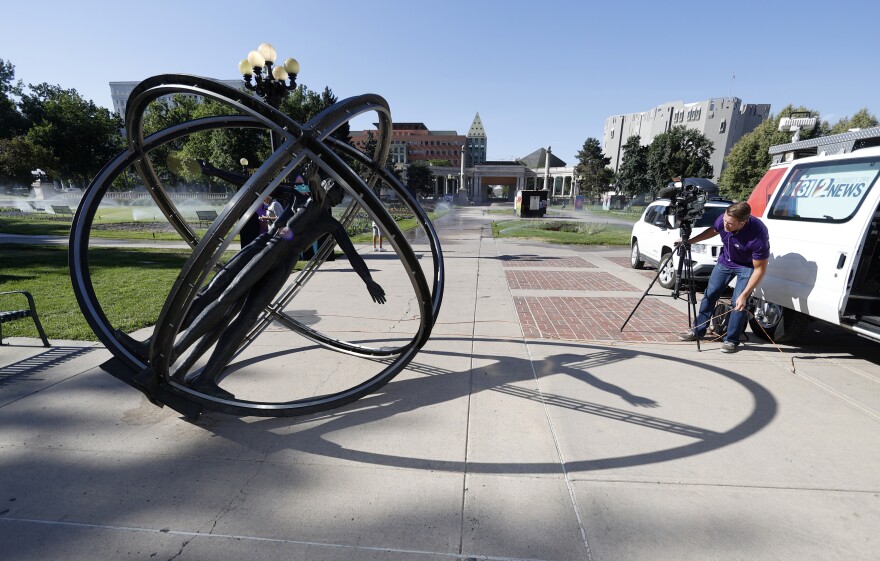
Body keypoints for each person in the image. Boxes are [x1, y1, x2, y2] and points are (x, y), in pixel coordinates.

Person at [676, 201, 769, 353]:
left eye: (730, 223)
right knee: (710, 294)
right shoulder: (724, 220)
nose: (725, 225)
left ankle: (731, 340)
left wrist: (744, 295)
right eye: (724, 220)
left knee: (738, 302)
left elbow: (760, 269)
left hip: (746, 267)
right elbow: (713, 230)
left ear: (743, 223)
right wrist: (690, 241)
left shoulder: (758, 235)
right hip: (725, 262)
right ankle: (698, 330)